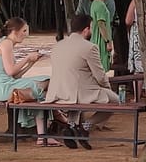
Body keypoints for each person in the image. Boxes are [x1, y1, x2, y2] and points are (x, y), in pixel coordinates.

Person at [44, 11, 118, 146]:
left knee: (76, 101)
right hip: (80, 92)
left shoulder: (57, 46)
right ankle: (86, 126)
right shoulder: (89, 47)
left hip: (58, 92)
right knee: (115, 101)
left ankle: (71, 126)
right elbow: (100, 75)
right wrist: (107, 87)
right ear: (86, 29)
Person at [0, 17, 52, 140]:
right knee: (46, 82)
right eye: (24, 31)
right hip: (2, 89)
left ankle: (42, 134)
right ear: (15, 32)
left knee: (43, 88)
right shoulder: (6, 44)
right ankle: (49, 128)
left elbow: (15, 76)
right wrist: (27, 58)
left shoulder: (5, 42)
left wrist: (31, 63)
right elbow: (11, 71)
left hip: (6, 85)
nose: (26, 35)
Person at [85, 0, 114, 72]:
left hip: (96, 40)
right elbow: (101, 24)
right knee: (101, 67)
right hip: (100, 41)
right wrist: (107, 42)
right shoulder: (100, 5)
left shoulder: (95, 4)